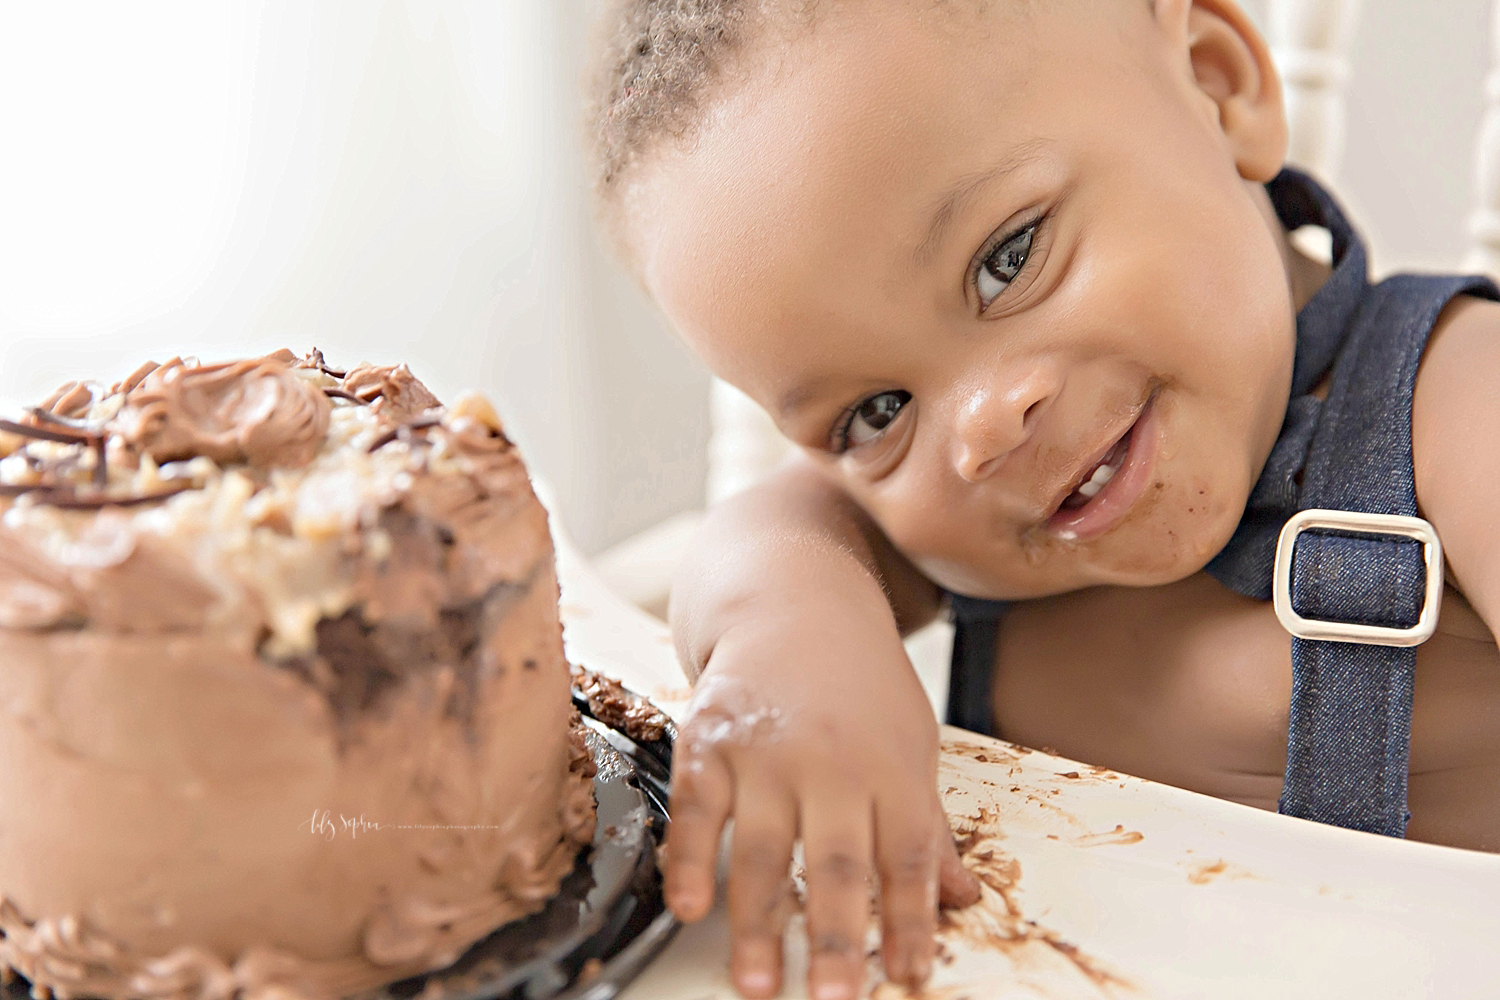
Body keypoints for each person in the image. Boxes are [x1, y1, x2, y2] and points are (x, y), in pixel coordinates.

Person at [584, 1, 1500, 997]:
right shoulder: (920, 529)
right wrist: (786, 632)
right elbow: (768, 533)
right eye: (877, 412)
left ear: (1213, 82)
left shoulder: (1458, 411)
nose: (978, 430)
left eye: (1007, 261)